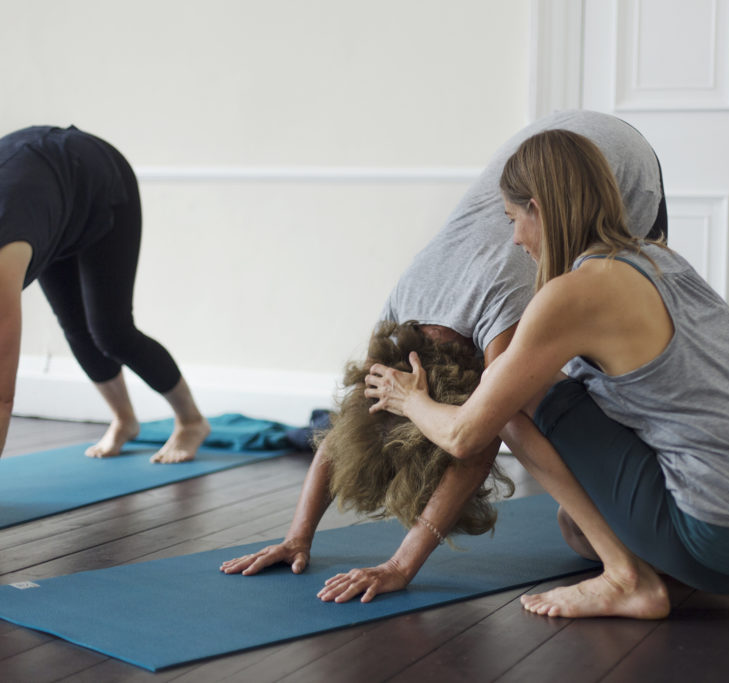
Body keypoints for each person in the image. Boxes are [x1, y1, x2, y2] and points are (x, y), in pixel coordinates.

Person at [362, 129, 729, 620]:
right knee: (576, 531)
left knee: (512, 396)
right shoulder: (662, 261)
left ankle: (627, 580)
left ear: (539, 208)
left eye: (514, 219)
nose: (515, 238)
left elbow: (465, 434)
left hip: (721, 538)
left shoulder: (573, 294)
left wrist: (408, 398)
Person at [220, 110, 668, 603]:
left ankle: (645, 533)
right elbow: (346, 426)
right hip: (548, 139)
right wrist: (297, 536)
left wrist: (400, 565)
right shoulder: (400, 317)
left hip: (622, 166)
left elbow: (475, 443)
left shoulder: (501, 314)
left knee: (622, 359)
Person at [0, 125, 209, 462]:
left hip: (97, 177)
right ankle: (125, 420)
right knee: (76, 329)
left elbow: (2, 398)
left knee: (112, 332)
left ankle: (191, 420)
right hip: (45, 199)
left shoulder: (3, 259)